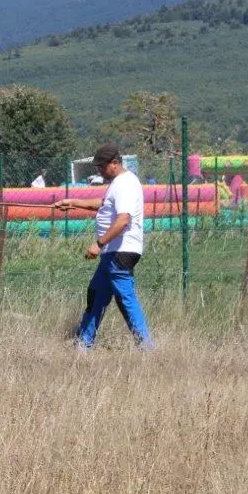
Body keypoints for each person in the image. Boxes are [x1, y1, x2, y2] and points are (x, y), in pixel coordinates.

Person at [53, 144, 153, 350]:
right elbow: (104, 204)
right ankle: (83, 344)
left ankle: (146, 346)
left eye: (102, 166)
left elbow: (123, 219)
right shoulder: (118, 183)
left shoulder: (125, 184)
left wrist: (99, 244)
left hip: (120, 250)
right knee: (97, 293)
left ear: (115, 164)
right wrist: (73, 202)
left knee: (125, 298)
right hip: (113, 251)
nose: (99, 170)